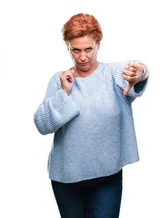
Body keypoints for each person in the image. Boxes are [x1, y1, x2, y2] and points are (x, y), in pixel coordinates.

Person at [33, 13, 149, 218]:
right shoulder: (60, 80)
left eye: (88, 49)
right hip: (66, 179)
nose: (83, 57)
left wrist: (140, 72)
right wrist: (64, 92)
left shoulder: (114, 74)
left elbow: (138, 70)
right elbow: (42, 125)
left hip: (107, 177)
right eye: (75, 50)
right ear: (67, 47)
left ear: (98, 44)